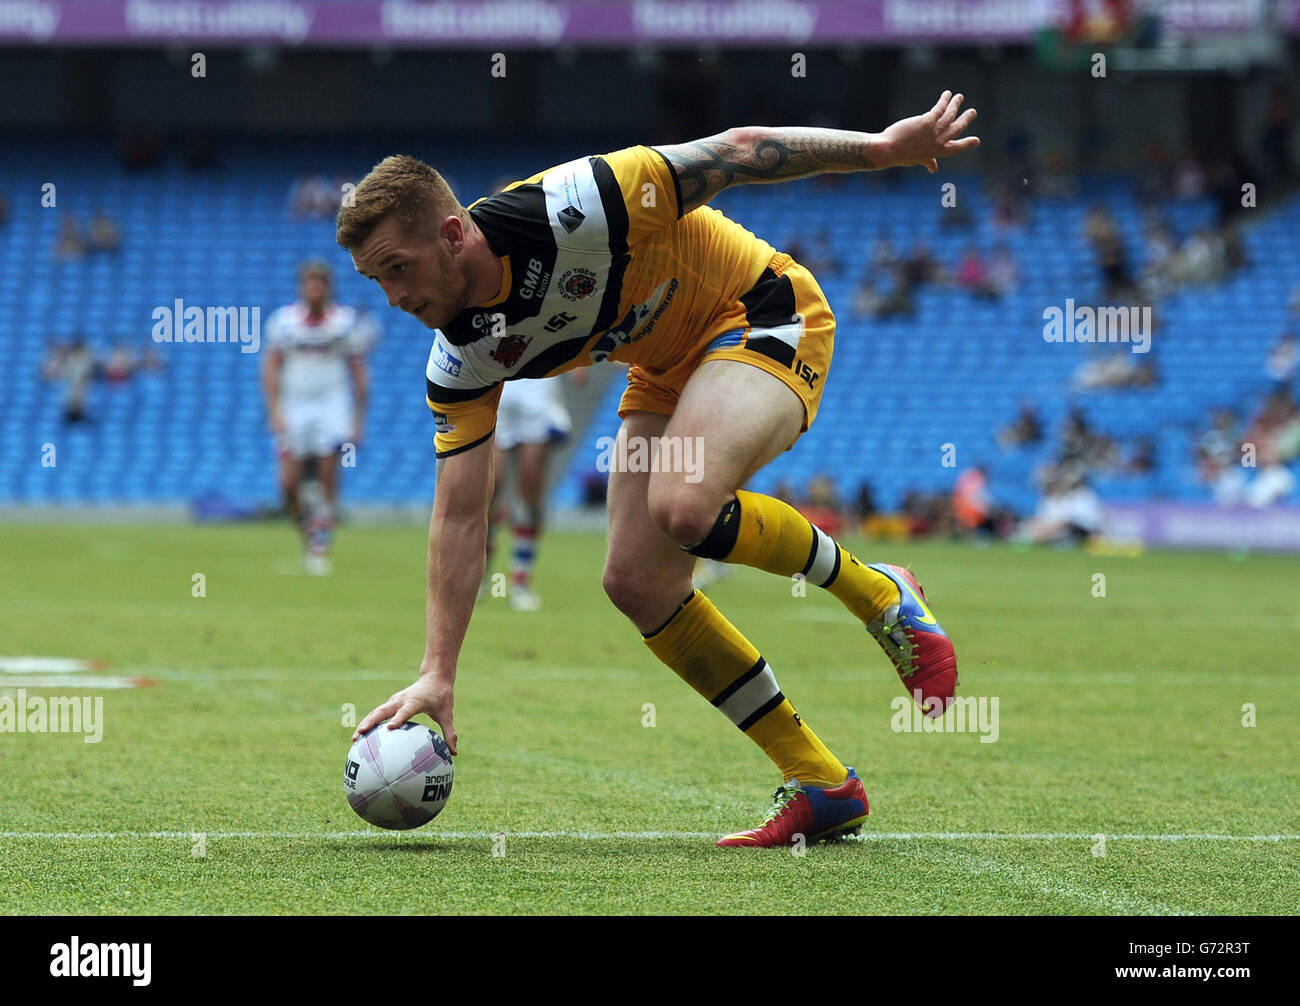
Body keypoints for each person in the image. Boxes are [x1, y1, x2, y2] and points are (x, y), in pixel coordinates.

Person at [343, 92, 978, 847]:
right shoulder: (461, 357)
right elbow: (459, 515)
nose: (395, 298)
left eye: (398, 269)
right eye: (376, 282)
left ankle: (882, 594)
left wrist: (878, 151)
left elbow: (741, 150)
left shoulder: (577, 206)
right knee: (636, 581)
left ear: (452, 234)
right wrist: (437, 670)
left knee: (682, 505)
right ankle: (821, 781)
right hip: (665, 368)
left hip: (760, 311)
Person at [261, 261, 374, 575]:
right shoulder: (284, 323)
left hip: (332, 403)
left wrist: (357, 421)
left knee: (328, 472)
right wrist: (275, 411)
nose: (314, 290)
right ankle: (310, 533)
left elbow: (360, 373)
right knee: (287, 484)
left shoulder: (345, 323)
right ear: (301, 288)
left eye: (319, 284)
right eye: (309, 284)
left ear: (328, 288)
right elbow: (270, 369)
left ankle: (320, 545)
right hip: (294, 404)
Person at [483, 374, 575, 610]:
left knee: (531, 488)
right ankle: (483, 574)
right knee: (491, 486)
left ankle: (520, 581)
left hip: (538, 385)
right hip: (501, 384)